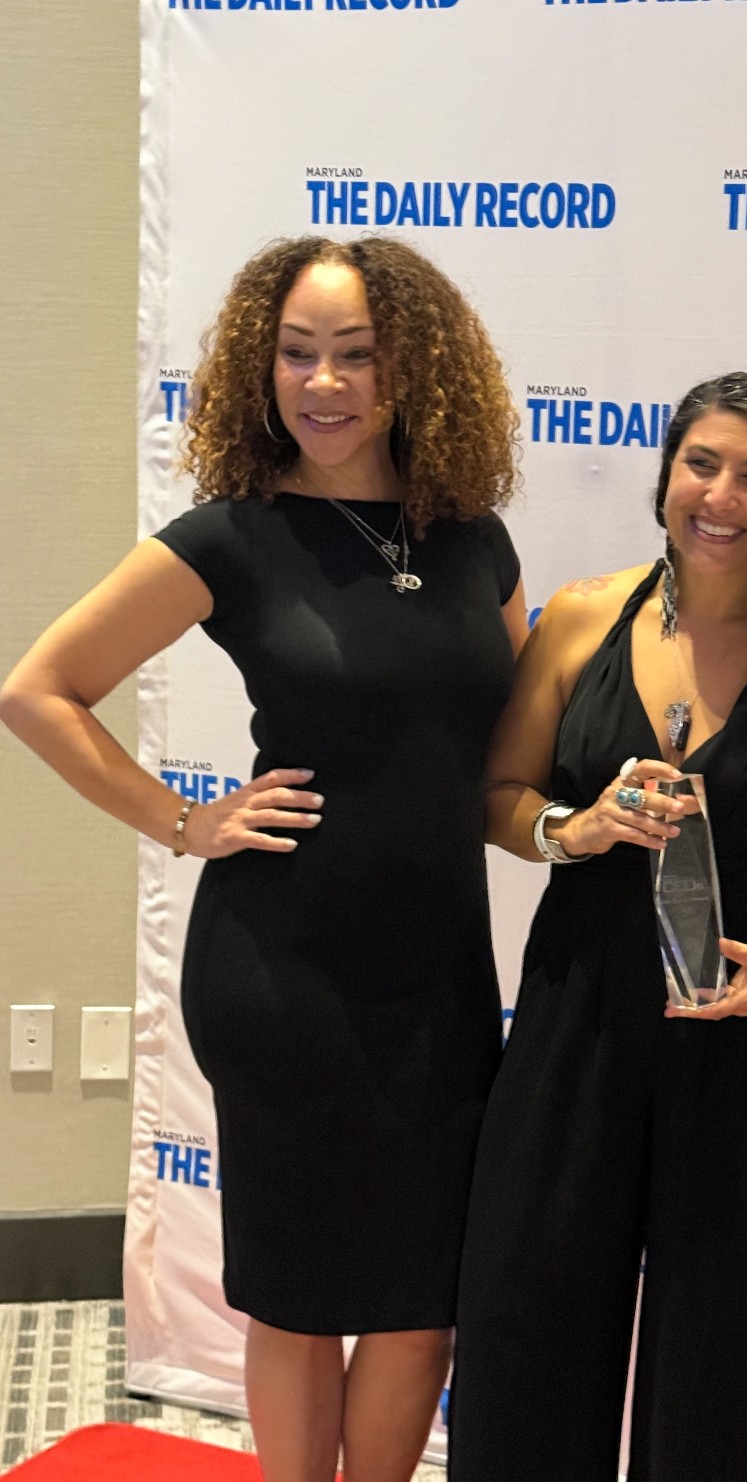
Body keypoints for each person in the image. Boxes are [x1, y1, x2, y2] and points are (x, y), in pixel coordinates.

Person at [0, 234, 526, 1482]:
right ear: (261, 366)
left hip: (442, 976)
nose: (322, 382)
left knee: (421, 1299)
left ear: (415, 368)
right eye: (296, 353)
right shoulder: (233, 537)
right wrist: (184, 821)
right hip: (285, 973)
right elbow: (39, 691)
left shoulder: (476, 543)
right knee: (298, 1296)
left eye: (356, 354)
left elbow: (510, 753)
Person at [447, 371, 747, 1482]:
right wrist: (577, 825)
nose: (721, 496)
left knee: (730, 1353)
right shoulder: (581, 616)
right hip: (578, 1014)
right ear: (665, 476)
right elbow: (497, 797)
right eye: (702, 464)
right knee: (529, 1325)